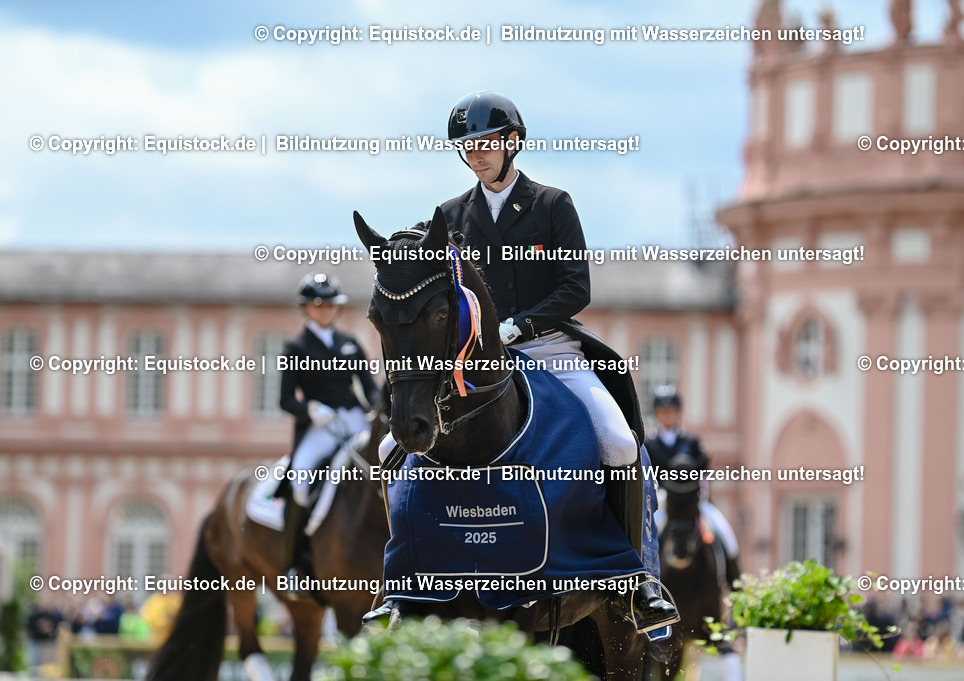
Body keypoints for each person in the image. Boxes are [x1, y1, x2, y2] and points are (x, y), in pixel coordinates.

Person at [438, 90, 677, 633]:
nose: (475, 154)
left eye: (485, 143)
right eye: (467, 146)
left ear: (512, 142)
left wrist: (520, 325)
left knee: (618, 441)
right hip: (479, 360)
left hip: (549, 348)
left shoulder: (551, 204)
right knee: (393, 449)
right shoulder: (451, 217)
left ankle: (639, 579)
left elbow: (576, 287)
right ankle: (398, 585)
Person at [279, 272, 381, 590]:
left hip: (355, 419)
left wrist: (376, 408)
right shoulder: (295, 347)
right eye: (318, 304)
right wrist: (310, 409)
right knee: (299, 480)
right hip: (320, 426)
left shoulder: (349, 343)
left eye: (330, 304)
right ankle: (295, 564)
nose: (325, 310)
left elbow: (369, 386)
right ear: (306, 308)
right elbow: (284, 399)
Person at [645, 386, 740, 584]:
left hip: (692, 500)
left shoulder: (691, 442)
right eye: (663, 411)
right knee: (646, 536)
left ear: (677, 412)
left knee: (726, 535)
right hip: (662, 502)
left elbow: (703, 470)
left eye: (671, 411)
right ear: (657, 413)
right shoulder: (650, 445)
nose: (667, 415)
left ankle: (735, 584)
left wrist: (702, 492)